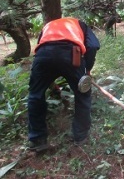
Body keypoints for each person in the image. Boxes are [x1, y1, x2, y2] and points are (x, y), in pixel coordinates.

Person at [27, 17, 100, 152]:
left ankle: (37, 139)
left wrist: (49, 81)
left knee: (35, 95)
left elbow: (41, 48)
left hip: (43, 55)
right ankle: (80, 136)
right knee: (83, 93)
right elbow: (93, 46)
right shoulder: (80, 23)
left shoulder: (48, 26)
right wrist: (87, 70)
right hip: (70, 53)